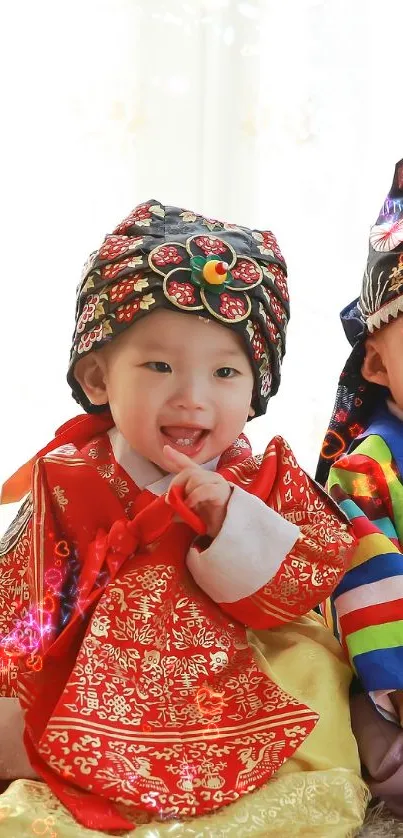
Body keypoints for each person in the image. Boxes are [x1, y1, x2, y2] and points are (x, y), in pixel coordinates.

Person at [0, 200, 367, 836]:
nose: (192, 396)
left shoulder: (261, 476)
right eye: (159, 366)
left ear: (254, 389)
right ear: (96, 378)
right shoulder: (70, 474)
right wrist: (20, 667)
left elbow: (300, 586)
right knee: (22, 713)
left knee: (314, 684)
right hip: (95, 665)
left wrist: (231, 521)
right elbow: (28, 593)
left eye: (225, 371)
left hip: (231, 662)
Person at [317, 158, 403, 816]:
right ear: (375, 361)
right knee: (379, 760)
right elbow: (368, 594)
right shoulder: (368, 468)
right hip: (390, 677)